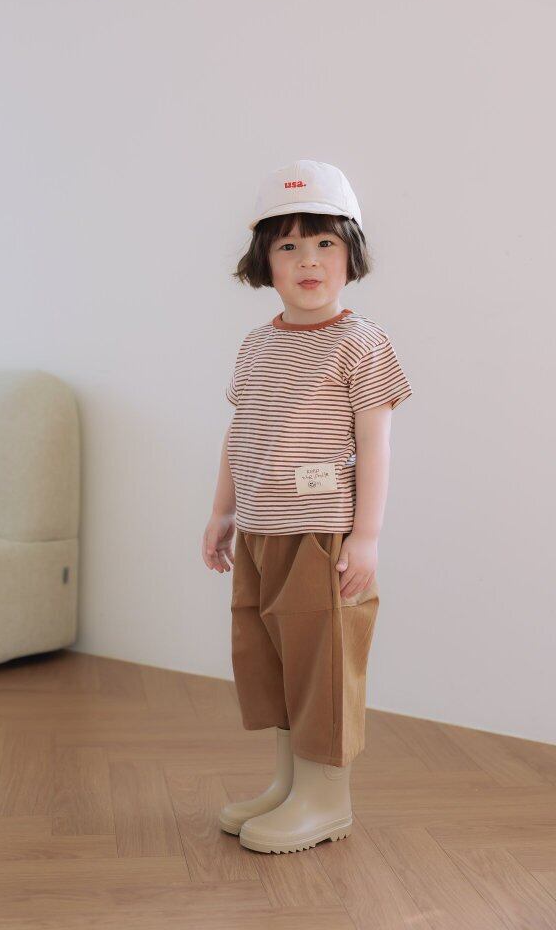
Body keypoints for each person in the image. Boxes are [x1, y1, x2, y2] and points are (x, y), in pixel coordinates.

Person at [202, 158, 413, 854]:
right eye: (288, 245)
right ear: (263, 260)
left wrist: (366, 537)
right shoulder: (257, 345)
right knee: (275, 661)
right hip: (262, 531)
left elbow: (375, 443)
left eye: (324, 242)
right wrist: (223, 512)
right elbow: (241, 430)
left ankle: (326, 799)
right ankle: (290, 783)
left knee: (323, 664)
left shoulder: (361, 343)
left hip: (322, 534)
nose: (308, 260)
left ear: (352, 253)